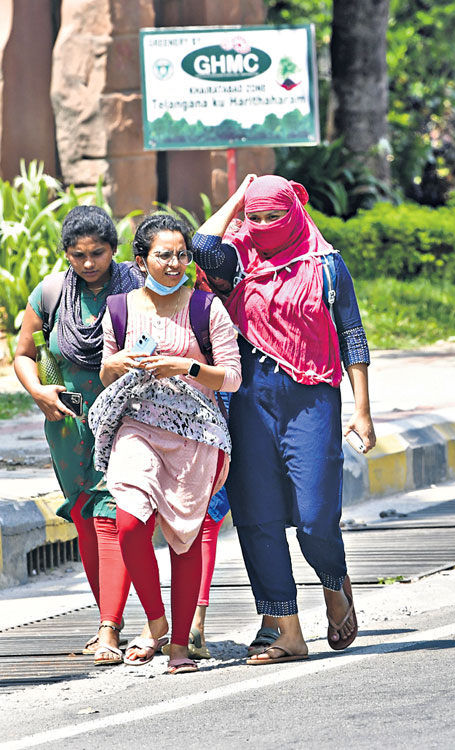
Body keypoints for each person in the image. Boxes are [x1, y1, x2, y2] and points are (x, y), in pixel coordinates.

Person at [192, 174, 376, 665]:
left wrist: (362, 410)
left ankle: (334, 580)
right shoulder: (238, 262)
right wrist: (241, 196)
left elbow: (352, 336)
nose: (266, 225)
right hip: (248, 402)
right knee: (258, 519)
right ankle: (287, 631)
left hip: (312, 399)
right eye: (257, 217)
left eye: (275, 215)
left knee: (316, 518)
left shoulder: (327, 266)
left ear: (295, 209)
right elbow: (202, 244)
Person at [91, 212, 241, 675]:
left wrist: (187, 368)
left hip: (196, 432)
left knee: (186, 537)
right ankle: (155, 621)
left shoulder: (206, 308)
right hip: (137, 425)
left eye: (181, 255)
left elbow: (232, 378)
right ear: (141, 261)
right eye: (164, 255)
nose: (175, 263)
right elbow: (105, 373)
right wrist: (119, 361)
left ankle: (179, 645)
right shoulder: (119, 307)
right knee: (131, 524)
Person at [12, 205, 142, 666]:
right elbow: (23, 353)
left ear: (114, 249)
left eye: (98, 253)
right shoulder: (50, 291)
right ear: (66, 252)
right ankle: (111, 618)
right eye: (78, 254)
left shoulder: (139, 285)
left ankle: (108, 627)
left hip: (128, 414)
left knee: (112, 515)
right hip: (67, 421)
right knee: (86, 517)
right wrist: (38, 391)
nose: (88, 264)